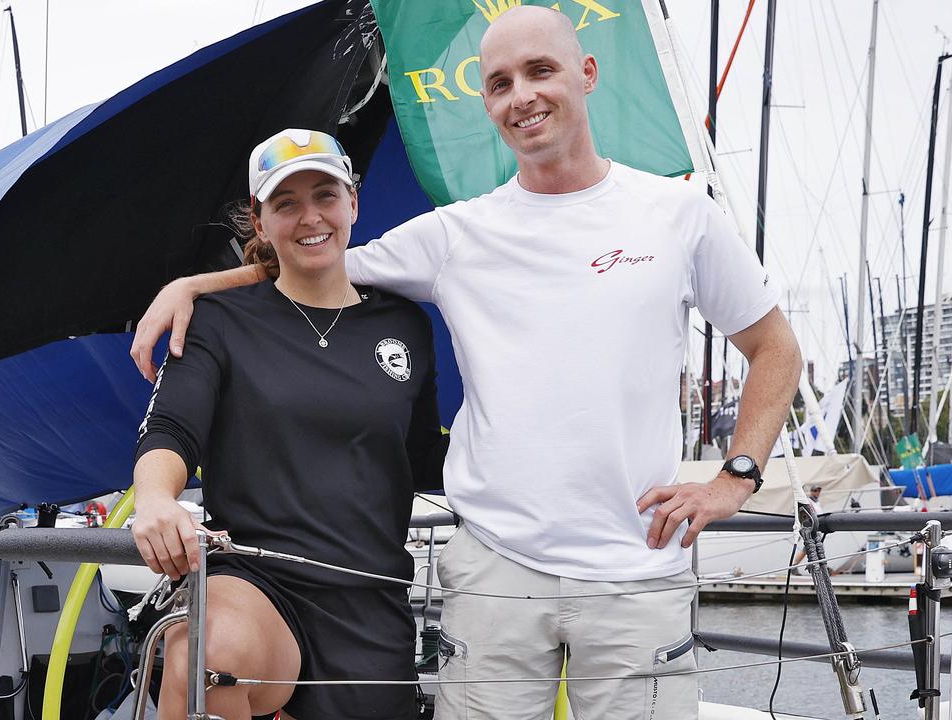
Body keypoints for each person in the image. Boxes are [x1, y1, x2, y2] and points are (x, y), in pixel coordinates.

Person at [129, 8, 802, 719]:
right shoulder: (455, 234)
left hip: (638, 567)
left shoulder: (678, 213)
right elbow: (313, 265)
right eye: (501, 82)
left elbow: (775, 348)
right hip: (497, 569)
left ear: (587, 73)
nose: (523, 96)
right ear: (486, 102)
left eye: (540, 71)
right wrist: (194, 287)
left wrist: (736, 478)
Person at [131, 129, 446, 720]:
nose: (310, 217)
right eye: (286, 203)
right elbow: (171, 426)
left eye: (325, 195)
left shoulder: (407, 324)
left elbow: (425, 457)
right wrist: (154, 499)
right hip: (255, 584)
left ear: (352, 201)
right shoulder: (216, 321)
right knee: (206, 657)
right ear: (259, 218)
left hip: (370, 598)